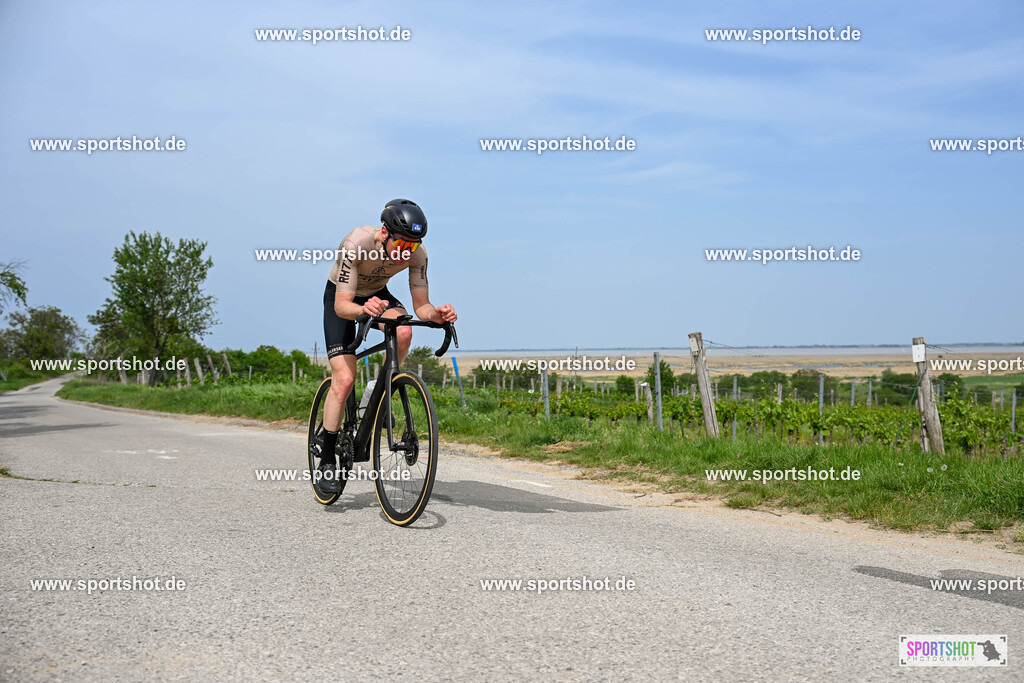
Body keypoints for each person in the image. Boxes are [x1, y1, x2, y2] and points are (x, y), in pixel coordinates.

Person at [319, 198, 457, 492]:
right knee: (344, 380)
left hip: (377, 295)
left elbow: (422, 307)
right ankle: (327, 458)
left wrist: (438, 315)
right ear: (384, 232)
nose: (406, 254)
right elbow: (343, 306)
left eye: (413, 247)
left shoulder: (417, 255)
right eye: (402, 246)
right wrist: (363, 308)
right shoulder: (355, 243)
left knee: (404, 330)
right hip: (342, 299)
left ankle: (377, 393)